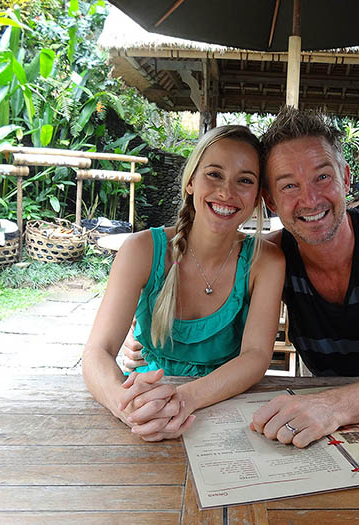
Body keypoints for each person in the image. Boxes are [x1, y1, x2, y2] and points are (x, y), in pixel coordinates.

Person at [121, 108, 359, 449]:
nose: (310, 199)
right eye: (289, 185)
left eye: (322, 177)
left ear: (345, 177)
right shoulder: (271, 258)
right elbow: (221, 300)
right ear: (270, 200)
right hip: (317, 414)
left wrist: (332, 406)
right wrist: (154, 332)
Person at [82, 125, 285, 442]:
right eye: (214, 174)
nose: (226, 192)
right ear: (191, 181)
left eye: (244, 180)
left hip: (225, 405)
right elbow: (97, 351)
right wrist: (125, 404)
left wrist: (183, 399)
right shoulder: (141, 251)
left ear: (258, 195)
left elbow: (256, 356)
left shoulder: (266, 262)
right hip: (147, 405)